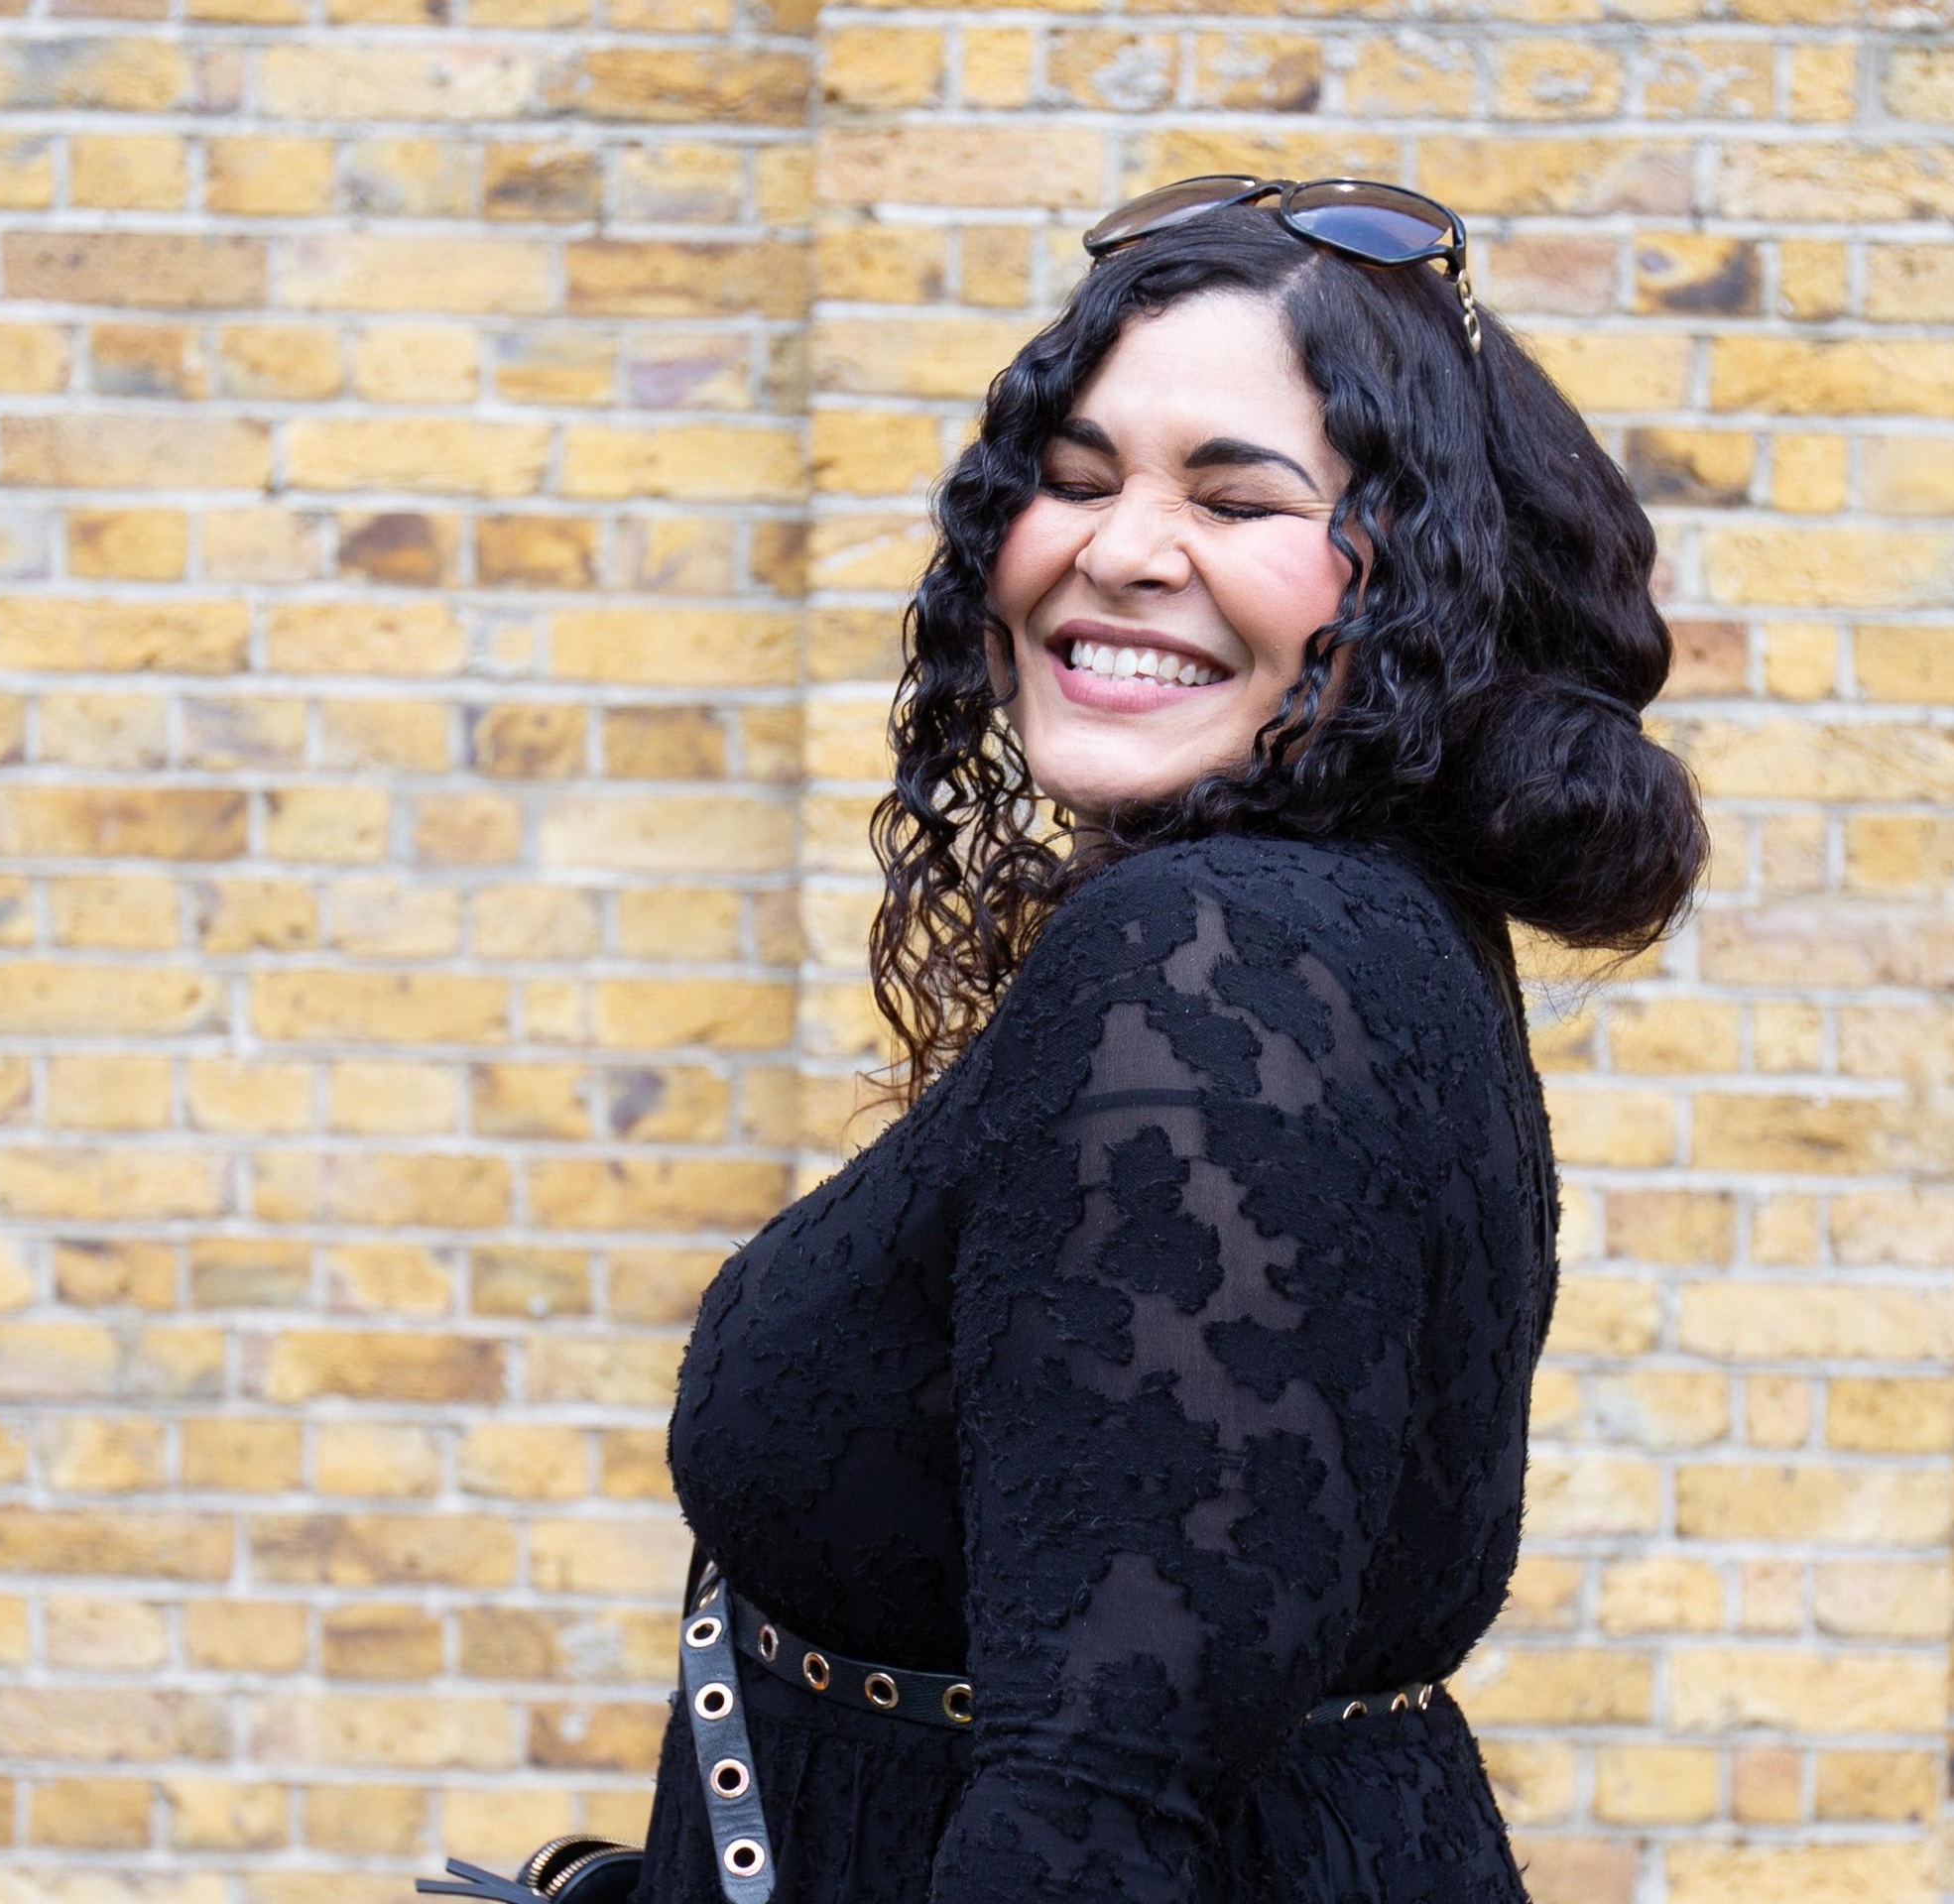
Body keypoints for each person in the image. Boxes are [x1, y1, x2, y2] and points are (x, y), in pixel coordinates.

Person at [640, 177, 1706, 1903]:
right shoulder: (1335, 919)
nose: (1121, 549)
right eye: (1073, 479)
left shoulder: (1221, 959)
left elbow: (1098, 1810)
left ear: (1423, 571)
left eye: (1236, 498)